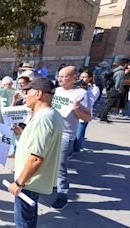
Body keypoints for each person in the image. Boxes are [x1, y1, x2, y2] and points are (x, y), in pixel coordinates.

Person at [8, 78, 63, 228]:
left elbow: (36, 158)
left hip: (28, 182)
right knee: (28, 217)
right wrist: (22, 133)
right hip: (34, 180)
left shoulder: (43, 118)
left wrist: (19, 182)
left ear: (38, 94)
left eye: (27, 92)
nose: (25, 95)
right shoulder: (52, 114)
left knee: (23, 223)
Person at [51, 66, 91, 210]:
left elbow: (87, 118)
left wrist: (77, 109)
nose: (60, 79)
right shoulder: (56, 91)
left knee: (60, 166)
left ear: (74, 77)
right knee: (49, 162)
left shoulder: (81, 93)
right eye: (59, 76)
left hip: (66, 134)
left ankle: (63, 196)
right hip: (51, 132)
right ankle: (51, 185)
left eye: (64, 76)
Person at [73, 70, 100, 153]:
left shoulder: (95, 88)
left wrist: (85, 90)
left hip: (84, 113)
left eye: (84, 77)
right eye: (81, 77)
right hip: (73, 113)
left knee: (79, 134)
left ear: (90, 78)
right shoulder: (76, 86)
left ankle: (76, 149)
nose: (82, 79)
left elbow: (91, 101)